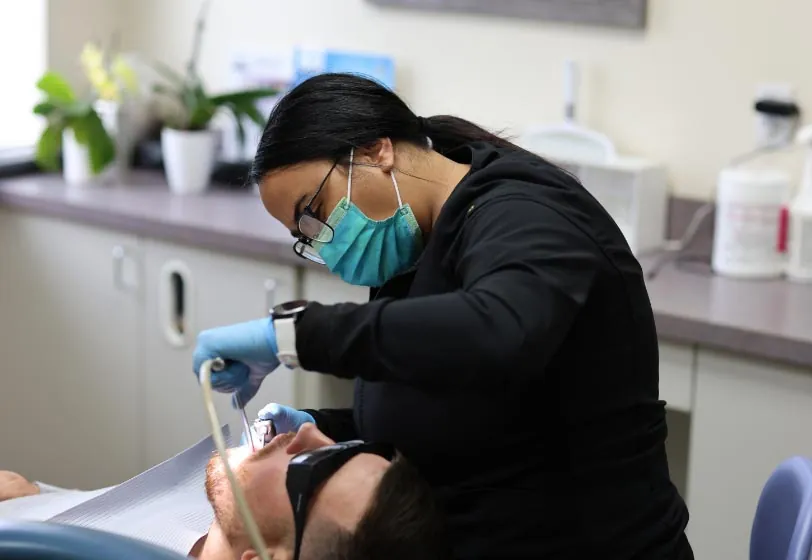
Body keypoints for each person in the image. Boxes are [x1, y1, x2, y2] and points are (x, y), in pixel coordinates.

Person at [193, 72, 693, 559]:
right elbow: (456, 406)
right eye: (307, 236)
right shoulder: (414, 245)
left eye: (315, 211)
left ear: (375, 150)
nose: (323, 240)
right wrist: (331, 428)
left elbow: (494, 333)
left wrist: (296, 333)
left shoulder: (527, 215)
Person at [0, 423, 447, 560]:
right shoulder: (212, 517)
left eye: (313, 464)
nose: (308, 431)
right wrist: (37, 495)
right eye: (345, 447)